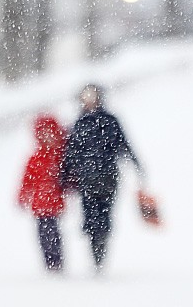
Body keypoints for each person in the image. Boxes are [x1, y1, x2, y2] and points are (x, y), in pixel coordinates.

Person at [61, 84, 142, 270]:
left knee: (104, 214)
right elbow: (71, 152)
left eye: (92, 96)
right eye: (85, 97)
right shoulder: (80, 123)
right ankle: (95, 249)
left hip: (108, 177)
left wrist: (136, 164)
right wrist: (64, 175)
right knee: (90, 216)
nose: (89, 101)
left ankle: (101, 247)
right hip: (86, 179)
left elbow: (124, 144)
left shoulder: (110, 121)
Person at [18, 114, 67, 272]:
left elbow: (67, 178)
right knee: (43, 235)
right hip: (39, 206)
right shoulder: (36, 158)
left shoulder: (58, 157)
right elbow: (27, 180)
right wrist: (23, 195)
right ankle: (49, 261)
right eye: (43, 134)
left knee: (53, 233)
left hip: (54, 204)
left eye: (50, 133)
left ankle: (56, 260)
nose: (47, 138)